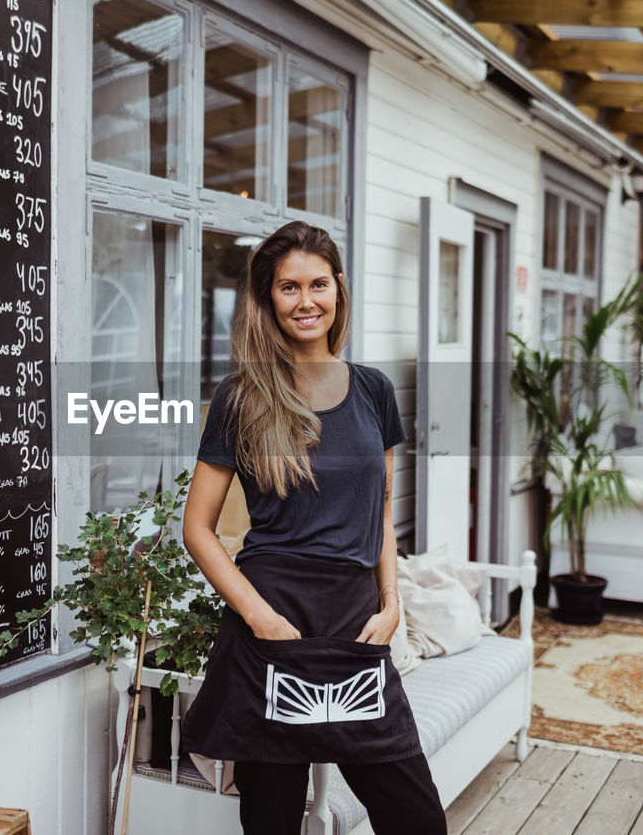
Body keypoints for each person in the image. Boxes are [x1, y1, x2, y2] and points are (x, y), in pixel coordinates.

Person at [181, 221, 447, 834]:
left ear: (339, 289)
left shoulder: (374, 391)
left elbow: (379, 509)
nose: (306, 301)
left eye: (318, 284)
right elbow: (197, 528)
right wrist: (260, 619)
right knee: (273, 814)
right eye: (288, 287)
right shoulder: (242, 397)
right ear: (268, 299)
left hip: (357, 624)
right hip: (273, 620)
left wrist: (392, 603)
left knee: (414, 816)